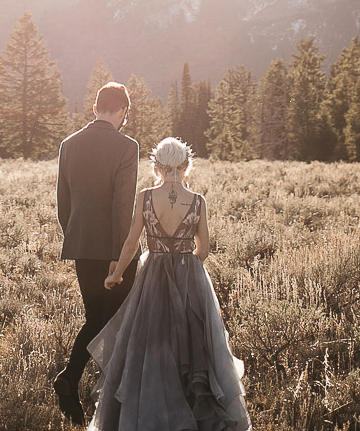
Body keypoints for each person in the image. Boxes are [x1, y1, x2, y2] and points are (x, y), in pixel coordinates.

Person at [90, 136, 250, 431]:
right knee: (193, 345)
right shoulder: (198, 201)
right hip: (190, 277)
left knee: (150, 343)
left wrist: (117, 274)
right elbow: (205, 248)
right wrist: (186, 268)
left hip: (153, 276)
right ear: (186, 166)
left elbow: (130, 242)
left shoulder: (146, 197)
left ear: (157, 166)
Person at [54, 81, 140, 424]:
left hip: (82, 247)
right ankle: (83, 383)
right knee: (113, 320)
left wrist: (75, 235)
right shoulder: (127, 147)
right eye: (125, 114)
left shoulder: (68, 145)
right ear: (122, 112)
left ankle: (80, 383)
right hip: (113, 249)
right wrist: (122, 255)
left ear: (95, 108)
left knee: (97, 317)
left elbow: (64, 202)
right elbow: (123, 206)